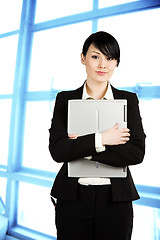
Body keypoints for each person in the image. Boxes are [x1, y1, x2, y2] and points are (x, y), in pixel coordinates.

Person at [49, 31, 146, 240]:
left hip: (116, 200)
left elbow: (136, 153)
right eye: (95, 56)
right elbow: (58, 150)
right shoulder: (65, 99)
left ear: (116, 62)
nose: (103, 64)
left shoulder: (128, 101)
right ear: (83, 58)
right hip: (73, 198)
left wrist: (84, 148)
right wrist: (102, 139)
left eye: (110, 58)